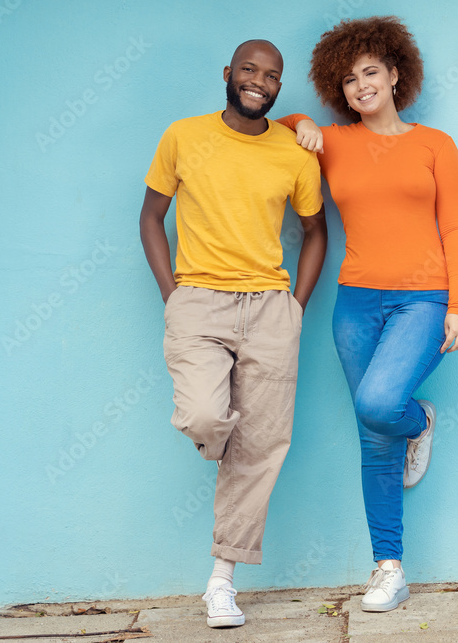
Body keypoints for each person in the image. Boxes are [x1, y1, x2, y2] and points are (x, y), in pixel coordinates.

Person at [278, 15, 458, 613]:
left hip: (423, 298)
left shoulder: (434, 144)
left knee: (380, 406)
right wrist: (304, 121)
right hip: (355, 301)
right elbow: (276, 124)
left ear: (394, 75)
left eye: (370, 72)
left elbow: (456, 229)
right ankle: (389, 568)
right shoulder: (332, 141)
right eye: (348, 80)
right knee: (372, 439)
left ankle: (419, 421)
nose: (360, 85)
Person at [139, 39, 327, 628]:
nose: (259, 81)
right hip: (198, 301)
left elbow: (316, 232)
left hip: (270, 308)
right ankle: (226, 448)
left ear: (278, 87)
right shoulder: (183, 136)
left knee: (263, 447)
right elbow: (150, 217)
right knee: (202, 416)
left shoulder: (294, 154)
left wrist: (295, 307)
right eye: (249, 70)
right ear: (228, 74)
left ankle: (221, 583)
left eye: (271, 76)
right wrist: (174, 297)